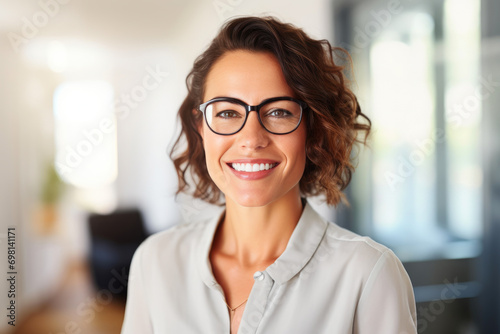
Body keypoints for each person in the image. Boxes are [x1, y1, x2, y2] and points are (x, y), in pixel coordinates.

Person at [121, 16, 417, 334]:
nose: (251, 139)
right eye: (227, 112)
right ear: (201, 128)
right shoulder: (155, 261)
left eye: (278, 112)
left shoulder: (367, 273)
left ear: (312, 129)